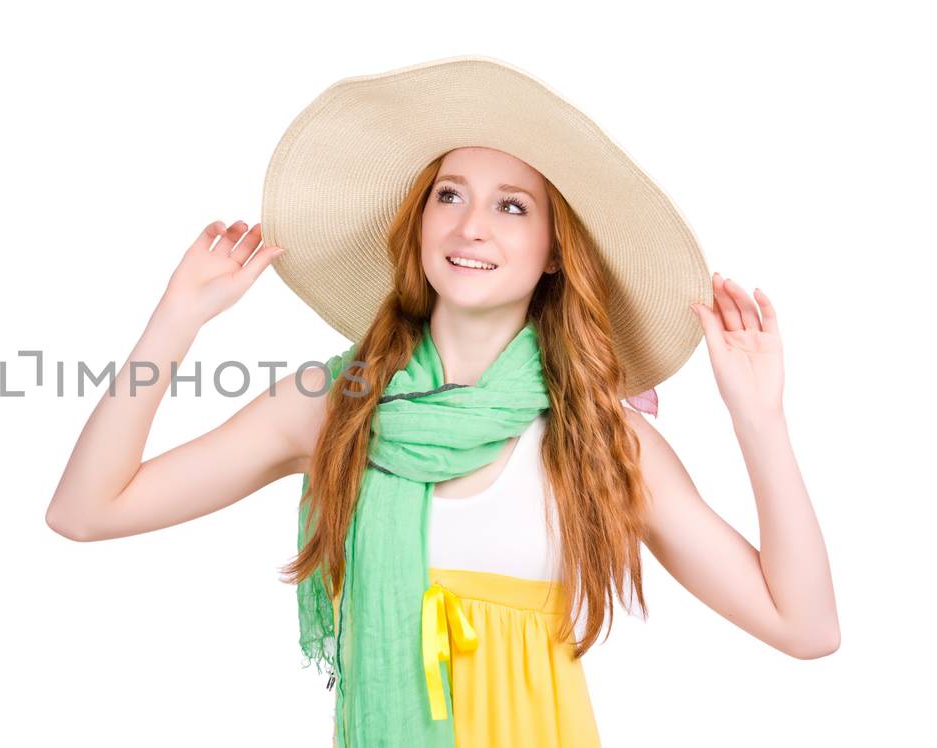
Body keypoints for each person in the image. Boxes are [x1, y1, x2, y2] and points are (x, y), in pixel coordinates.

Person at [44, 56, 838, 747]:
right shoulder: (334, 405)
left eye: (512, 205)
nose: (470, 227)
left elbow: (803, 627)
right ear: (420, 223)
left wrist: (759, 422)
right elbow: (87, 509)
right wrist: (175, 321)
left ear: (557, 249)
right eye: (449, 195)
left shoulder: (600, 436)